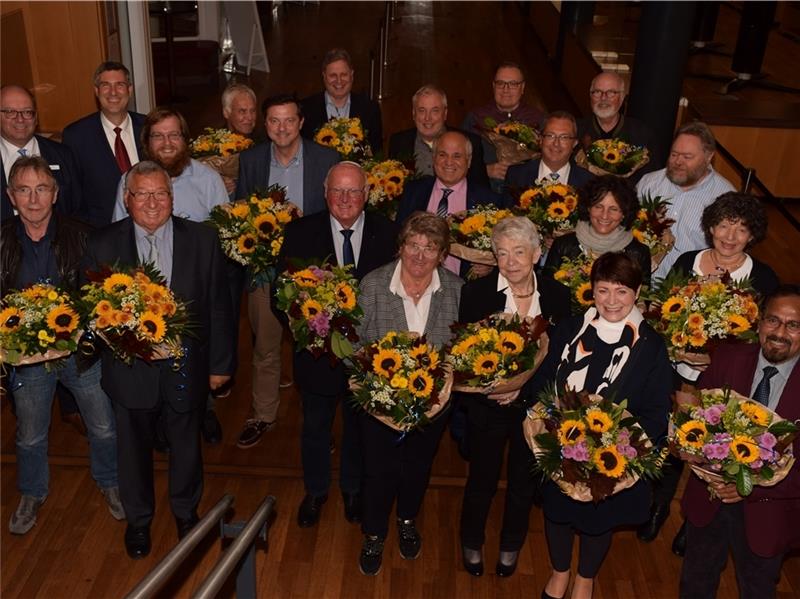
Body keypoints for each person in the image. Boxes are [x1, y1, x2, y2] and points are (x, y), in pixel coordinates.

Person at [84, 160, 234, 559]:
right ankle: (139, 521)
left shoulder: (202, 240)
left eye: (161, 193)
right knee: (131, 449)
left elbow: (220, 306)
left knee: (186, 443)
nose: (152, 203)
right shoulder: (102, 245)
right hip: (129, 372)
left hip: (185, 365)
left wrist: (220, 365)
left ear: (172, 197)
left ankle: (186, 512)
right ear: (127, 199)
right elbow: (92, 314)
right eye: (142, 194)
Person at [524, 252, 673, 599]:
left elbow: (654, 409)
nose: (611, 300)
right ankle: (560, 572)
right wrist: (549, 428)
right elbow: (543, 381)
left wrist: (619, 448)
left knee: (598, 519)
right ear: (591, 291)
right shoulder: (570, 328)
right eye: (603, 290)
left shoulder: (650, 345)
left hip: (615, 453)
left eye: (621, 291)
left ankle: (585, 578)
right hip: (560, 445)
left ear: (637, 293)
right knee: (558, 512)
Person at [638, 191, 779, 549]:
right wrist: (679, 346)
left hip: (727, 382)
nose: (730, 237)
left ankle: (696, 519)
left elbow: (762, 334)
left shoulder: (763, 277)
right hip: (677, 371)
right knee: (672, 443)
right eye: (723, 226)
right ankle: (658, 507)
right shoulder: (688, 261)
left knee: (713, 449)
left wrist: (717, 354)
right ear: (710, 227)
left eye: (741, 229)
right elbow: (663, 313)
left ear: (752, 235)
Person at [1, 156, 123, 535]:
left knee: (103, 426)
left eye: (42, 189)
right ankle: (32, 493)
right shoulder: (1, 240)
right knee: (30, 433)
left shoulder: (85, 234)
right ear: (11, 196)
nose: (33, 199)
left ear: (55, 194)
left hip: (79, 354)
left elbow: (105, 293)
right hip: (26, 360)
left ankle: (111, 481)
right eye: (24, 190)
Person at [276, 162, 398, 528]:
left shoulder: (389, 233)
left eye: (354, 191)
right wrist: (310, 332)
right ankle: (315, 491)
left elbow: (395, 293)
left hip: (368, 357)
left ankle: (352, 490)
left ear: (366, 194)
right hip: (318, 358)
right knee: (315, 427)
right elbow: (279, 297)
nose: (346, 199)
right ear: (325, 192)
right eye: (338, 191)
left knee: (359, 429)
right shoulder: (299, 232)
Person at [458, 217, 569, 578]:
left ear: (537, 253)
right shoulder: (475, 293)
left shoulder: (556, 295)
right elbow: (466, 355)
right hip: (487, 405)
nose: (511, 262)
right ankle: (471, 539)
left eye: (519, 252)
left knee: (523, 483)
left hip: (534, 406)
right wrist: (496, 386)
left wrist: (522, 388)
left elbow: (559, 358)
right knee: (482, 479)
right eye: (502, 253)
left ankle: (510, 544)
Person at [111, 107, 229, 445]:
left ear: (185, 140)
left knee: (195, 367)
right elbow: (118, 239)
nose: (166, 143)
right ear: (147, 142)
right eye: (158, 136)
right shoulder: (128, 182)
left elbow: (223, 236)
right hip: (143, 300)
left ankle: (203, 412)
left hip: (193, 298)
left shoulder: (207, 179)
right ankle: (158, 420)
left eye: (174, 135)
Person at [355, 212, 463, 576]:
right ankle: (373, 533)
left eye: (430, 248)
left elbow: (458, 352)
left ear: (443, 254)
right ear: (400, 247)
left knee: (418, 466)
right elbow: (354, 346)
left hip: (433, 407)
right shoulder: (372, 285)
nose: (420, 255)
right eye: (413, 246)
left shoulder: (456, 289)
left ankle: (406, 521)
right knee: (378, 471)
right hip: (379, 406)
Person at [679, 285, 800, 599]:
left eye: (793, 325)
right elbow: (695, 419)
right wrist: (704, 462)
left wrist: (751, 485)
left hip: (769, 514)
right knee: (695, 582)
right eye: (773, 321)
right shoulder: (729, 357)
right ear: (759, 323)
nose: (780, 333)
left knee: (757, 590)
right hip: (708, 497)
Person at [234, 94, 339, 449]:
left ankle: (317, 425)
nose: (281, 128)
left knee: (314, 351)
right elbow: (241, 213)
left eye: (288, 120)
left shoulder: (326, 160)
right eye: (274, 121)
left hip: (312, 274)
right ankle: (263, 415)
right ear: (266, 125)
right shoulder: (250, 161)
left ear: (301, 122)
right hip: (265, 271)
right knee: (265, 347)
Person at [397, 130, 505, 276]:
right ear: (433, 158)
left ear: (469, 161)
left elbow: (504, 252)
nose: (449, 162)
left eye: (457, 156)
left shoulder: (489, 201)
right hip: (415, 281)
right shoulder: (413, 191)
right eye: (442, 155)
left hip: (465, 290)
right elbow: (398, 239)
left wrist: (491, 266)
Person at [637, 121, 736, 281]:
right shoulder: (650, 183)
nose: (678, 162)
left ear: (709, 157)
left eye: (687, 157)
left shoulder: (724, 195)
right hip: (642, 282)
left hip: (689, 288)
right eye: (674, 154)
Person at [544, 175, 651, 310]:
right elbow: (546, 292)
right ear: (588, 208)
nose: (604, 215)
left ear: (624, 213)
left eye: (613, 209)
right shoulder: (563, 245)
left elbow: (643, 299)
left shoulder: (638, 252)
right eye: (598, 206)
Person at [62, 61, 146, 226]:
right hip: (101, 231)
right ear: (96, 91)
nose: (113, 92)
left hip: (149, 224)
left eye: (120, 85)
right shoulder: (76, 136)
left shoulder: (148, 127)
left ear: (129, 90)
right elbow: (74, 195)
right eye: (105, 85)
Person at [1, 85, 83, 221]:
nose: (20, 119)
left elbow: (78, 209)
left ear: (36, 117)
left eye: (27, 112)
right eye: (10, 112)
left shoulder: (63, 155)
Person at [462, 62, 545, 191]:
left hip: (526, 191)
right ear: (493, 86)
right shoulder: (475, 118)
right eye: (500, 83)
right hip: (484, 189)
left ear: (522, 87)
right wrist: (486, 170)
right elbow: (459, 159)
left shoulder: (538, 120)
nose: (505, 89)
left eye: (512, 84)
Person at [387, 84, 488, 186]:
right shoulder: (399, 142)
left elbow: (481, 190)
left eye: (435, 111)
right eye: (422, 111)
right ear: (413, 114)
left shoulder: (469, 142)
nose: (427, 118)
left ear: (445, 114)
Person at [576, 72, 659, 178]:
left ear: (622, 97)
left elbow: (651, 179)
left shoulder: (642, 134)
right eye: (597, 92)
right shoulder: (576, 130)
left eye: (611, 92)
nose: (603, 98)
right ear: (590, 96)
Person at [300, 48, 383, 152]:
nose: (339, 81)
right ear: (324, 76)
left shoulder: (370, 109)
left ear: (352, 75)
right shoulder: (306, 109)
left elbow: (376, 152)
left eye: (344, 75)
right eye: (333, 76)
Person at [505, 111, 594, 194]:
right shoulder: (516, 175)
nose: (556, 143)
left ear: (574, 144)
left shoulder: (588, 182)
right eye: (550, 136)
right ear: (540, 140)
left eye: (564, 137)